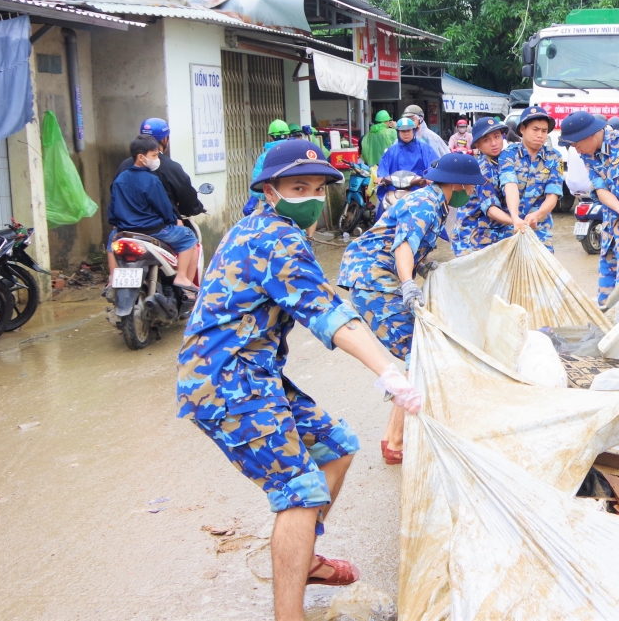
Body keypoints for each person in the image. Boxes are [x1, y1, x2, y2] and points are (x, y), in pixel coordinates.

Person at [177, 138, 422, 621]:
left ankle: (304, 555)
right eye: (297, 186)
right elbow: (328, 312)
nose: (310, 195)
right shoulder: (277, 238)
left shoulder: (256, 226)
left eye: (317, 186)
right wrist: (390, 372)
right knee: (300, 488)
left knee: (337, 445)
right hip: (227, 381)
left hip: (252, 371)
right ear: (270, 190)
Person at [338, 153, 486, 464]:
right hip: (374, 280)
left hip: (377, 277)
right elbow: (404, 244)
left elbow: (412, 248)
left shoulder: (436, 202)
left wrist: (425, 267)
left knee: (417, 355)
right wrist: (408, 283)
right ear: (458, 184)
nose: (471, 193)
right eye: (471, 187)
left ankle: (394, 440)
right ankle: (396, 441)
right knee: (419, 354)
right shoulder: (425, 202)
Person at [560, 111, 619, 305]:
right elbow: (600, 188)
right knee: (605, 299)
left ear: (589, 135)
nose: (577, 152)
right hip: (611, 232)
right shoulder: (588, 154)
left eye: (577, 146)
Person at [111, 118, 206, 282]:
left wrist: (115, 221)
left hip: (125, 227)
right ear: (165, 139)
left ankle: (113, 277)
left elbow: (113, 200)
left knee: (111, 240)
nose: (156, 159)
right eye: (154, 155)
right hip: (155, 228)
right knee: (189, 238)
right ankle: (184, 283)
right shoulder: (159, 174)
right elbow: (167, 205)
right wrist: (174, 219)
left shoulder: (122, 173)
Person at [499, 106, 565, 251]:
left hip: (540, 230)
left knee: (543, 272)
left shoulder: (555, 157)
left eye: (544, 131)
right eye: (535, 129)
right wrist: (515, 217)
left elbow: (553, 194)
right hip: (510, 228)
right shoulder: (508, 155)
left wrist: (538, 214)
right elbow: (510, 186)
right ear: (522, 129)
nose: (540, 135)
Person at [451, 117, 517, 255]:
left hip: (487, 232)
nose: (494, 143)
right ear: (477, 145)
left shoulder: (501, 161)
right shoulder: (484, 168)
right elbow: (491, 209)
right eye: (486, 140)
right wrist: (516, 222)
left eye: (497, 137)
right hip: (472, 238)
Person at [375, 118, 437, 221]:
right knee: (382, 213)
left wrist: (430, 177)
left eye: (408, 130)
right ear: (398, 132)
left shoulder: (424, 148)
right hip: (395, 190)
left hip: (419, 190)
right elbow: (384, 166)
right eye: (403, 131)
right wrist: (381, 177)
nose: (406, 134)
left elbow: (433, 164)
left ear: (413, 131)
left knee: (432, 214)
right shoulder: (392, 150)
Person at [243, 119, 294, 217]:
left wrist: (262, 196)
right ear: (288, 136)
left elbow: (256, 181)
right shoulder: (296, 153)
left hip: (273, 200)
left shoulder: (264, 157)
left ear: (270, 137)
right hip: (294, 198)